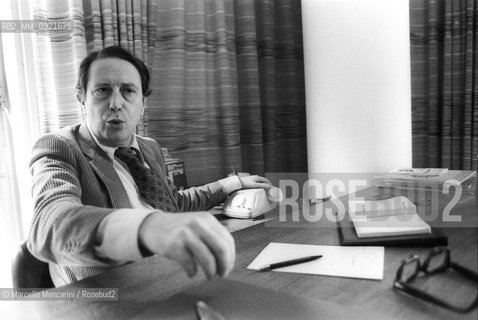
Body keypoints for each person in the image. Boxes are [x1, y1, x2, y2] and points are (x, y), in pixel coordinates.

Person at [28, 46, 272, 286]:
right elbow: (49, 224)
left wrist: (234, 182)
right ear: (82, 98)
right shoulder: (59, 147)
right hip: (108, 297)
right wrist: (147, 226)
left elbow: (174, 204)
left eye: (128, 91)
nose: (115, 103)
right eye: (102, 90)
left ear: (143, 104)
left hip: (168, 276)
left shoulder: (149, 148)